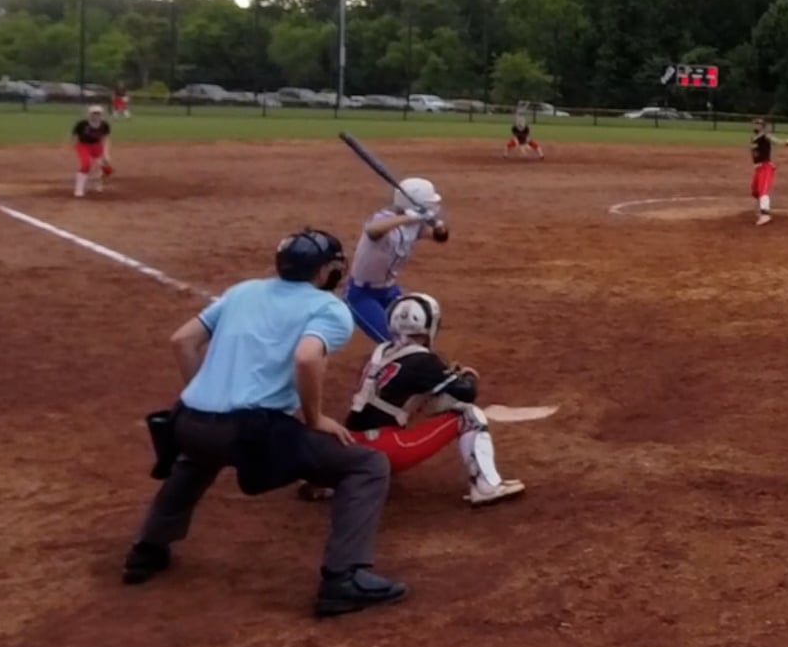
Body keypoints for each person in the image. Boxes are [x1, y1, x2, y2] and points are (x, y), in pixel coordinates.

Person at [120, 229, 407, 618]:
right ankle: (344, 578)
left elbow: (182, 341)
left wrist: (207, 395)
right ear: (324, 271)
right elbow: (307, 358)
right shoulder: (328, 308)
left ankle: (147, 550)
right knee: (367, 466)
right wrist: (315, 418)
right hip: (250, 431)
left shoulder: (243, 291)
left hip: (185, 422)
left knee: (198, 457)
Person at [341, 293, 525, 506]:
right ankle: (486, 487)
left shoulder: (379, 352)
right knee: (469, 415)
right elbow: (465, 392)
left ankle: (346, 477)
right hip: (386, 448)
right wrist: (467, 376)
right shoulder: (423, 360)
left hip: (349, 447)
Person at [345, 179, 449, 344]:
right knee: (393, 342)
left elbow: (440, 237)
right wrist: (409, 217)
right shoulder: (383, 219)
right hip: (361, 294)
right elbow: (373, 230)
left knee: (415, 332)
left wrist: (439, 227)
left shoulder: (416, 225)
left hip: (389, 290)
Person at [72, 104, 113, 198]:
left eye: (98, 114)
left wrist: (106, 153)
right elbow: (74, 135)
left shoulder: (104, 125)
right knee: (86, 164)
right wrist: (72, 146)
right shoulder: (82, 124)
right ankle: (79, 189)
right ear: (89, 114)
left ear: (101, 115)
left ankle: (97, 183)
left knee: (106, 168)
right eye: (94, 113)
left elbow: (106, 139)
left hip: (97, 146)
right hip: (83, 146)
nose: (96, 115)